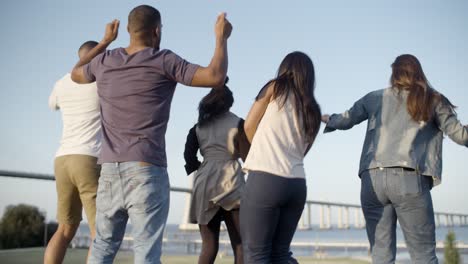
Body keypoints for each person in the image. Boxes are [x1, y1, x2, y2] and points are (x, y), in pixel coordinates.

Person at [70, 5, 233, 263]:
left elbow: (76, 73)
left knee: (102, 247)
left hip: (110, 170)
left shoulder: (104, 60)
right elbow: (215, 76)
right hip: (147, 169)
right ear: (156, 31)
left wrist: (104, 42)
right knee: (146, 253)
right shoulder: (163, 60)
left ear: (127, 30)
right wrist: (221, 38)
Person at [321, 54, 468, 263]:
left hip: (372, 181)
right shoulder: (432, 99)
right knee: (424, 256)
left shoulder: (374, 97)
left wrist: (328, 119)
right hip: (408, 178)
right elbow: (461, 136)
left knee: (381, 257)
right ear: (418, 73)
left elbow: (346, 120)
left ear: (395, 74)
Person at [240, 51, 322, 263]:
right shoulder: (313, 109)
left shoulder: (275, 87)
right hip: (296, 185)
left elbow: (248, 126)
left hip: (266, 178)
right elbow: (304, 151)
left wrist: (258, 149)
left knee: (256, 255)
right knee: (280, 254)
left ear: (285, 69)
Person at [45, 41, 101, 264]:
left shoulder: (61, 81)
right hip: (89, 158)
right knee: (100, 231)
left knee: (65, 229)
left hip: (62, 159)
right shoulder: (102, 81)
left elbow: (52, 105)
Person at [184, 78, 245, 264]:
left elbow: (188, 156)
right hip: (232, 180)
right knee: (241, 245)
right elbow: (247, 152)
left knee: (209, 246)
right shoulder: (239, 123)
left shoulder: (198, 127)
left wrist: (199, 167)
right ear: (230, 103)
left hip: (205, 182)